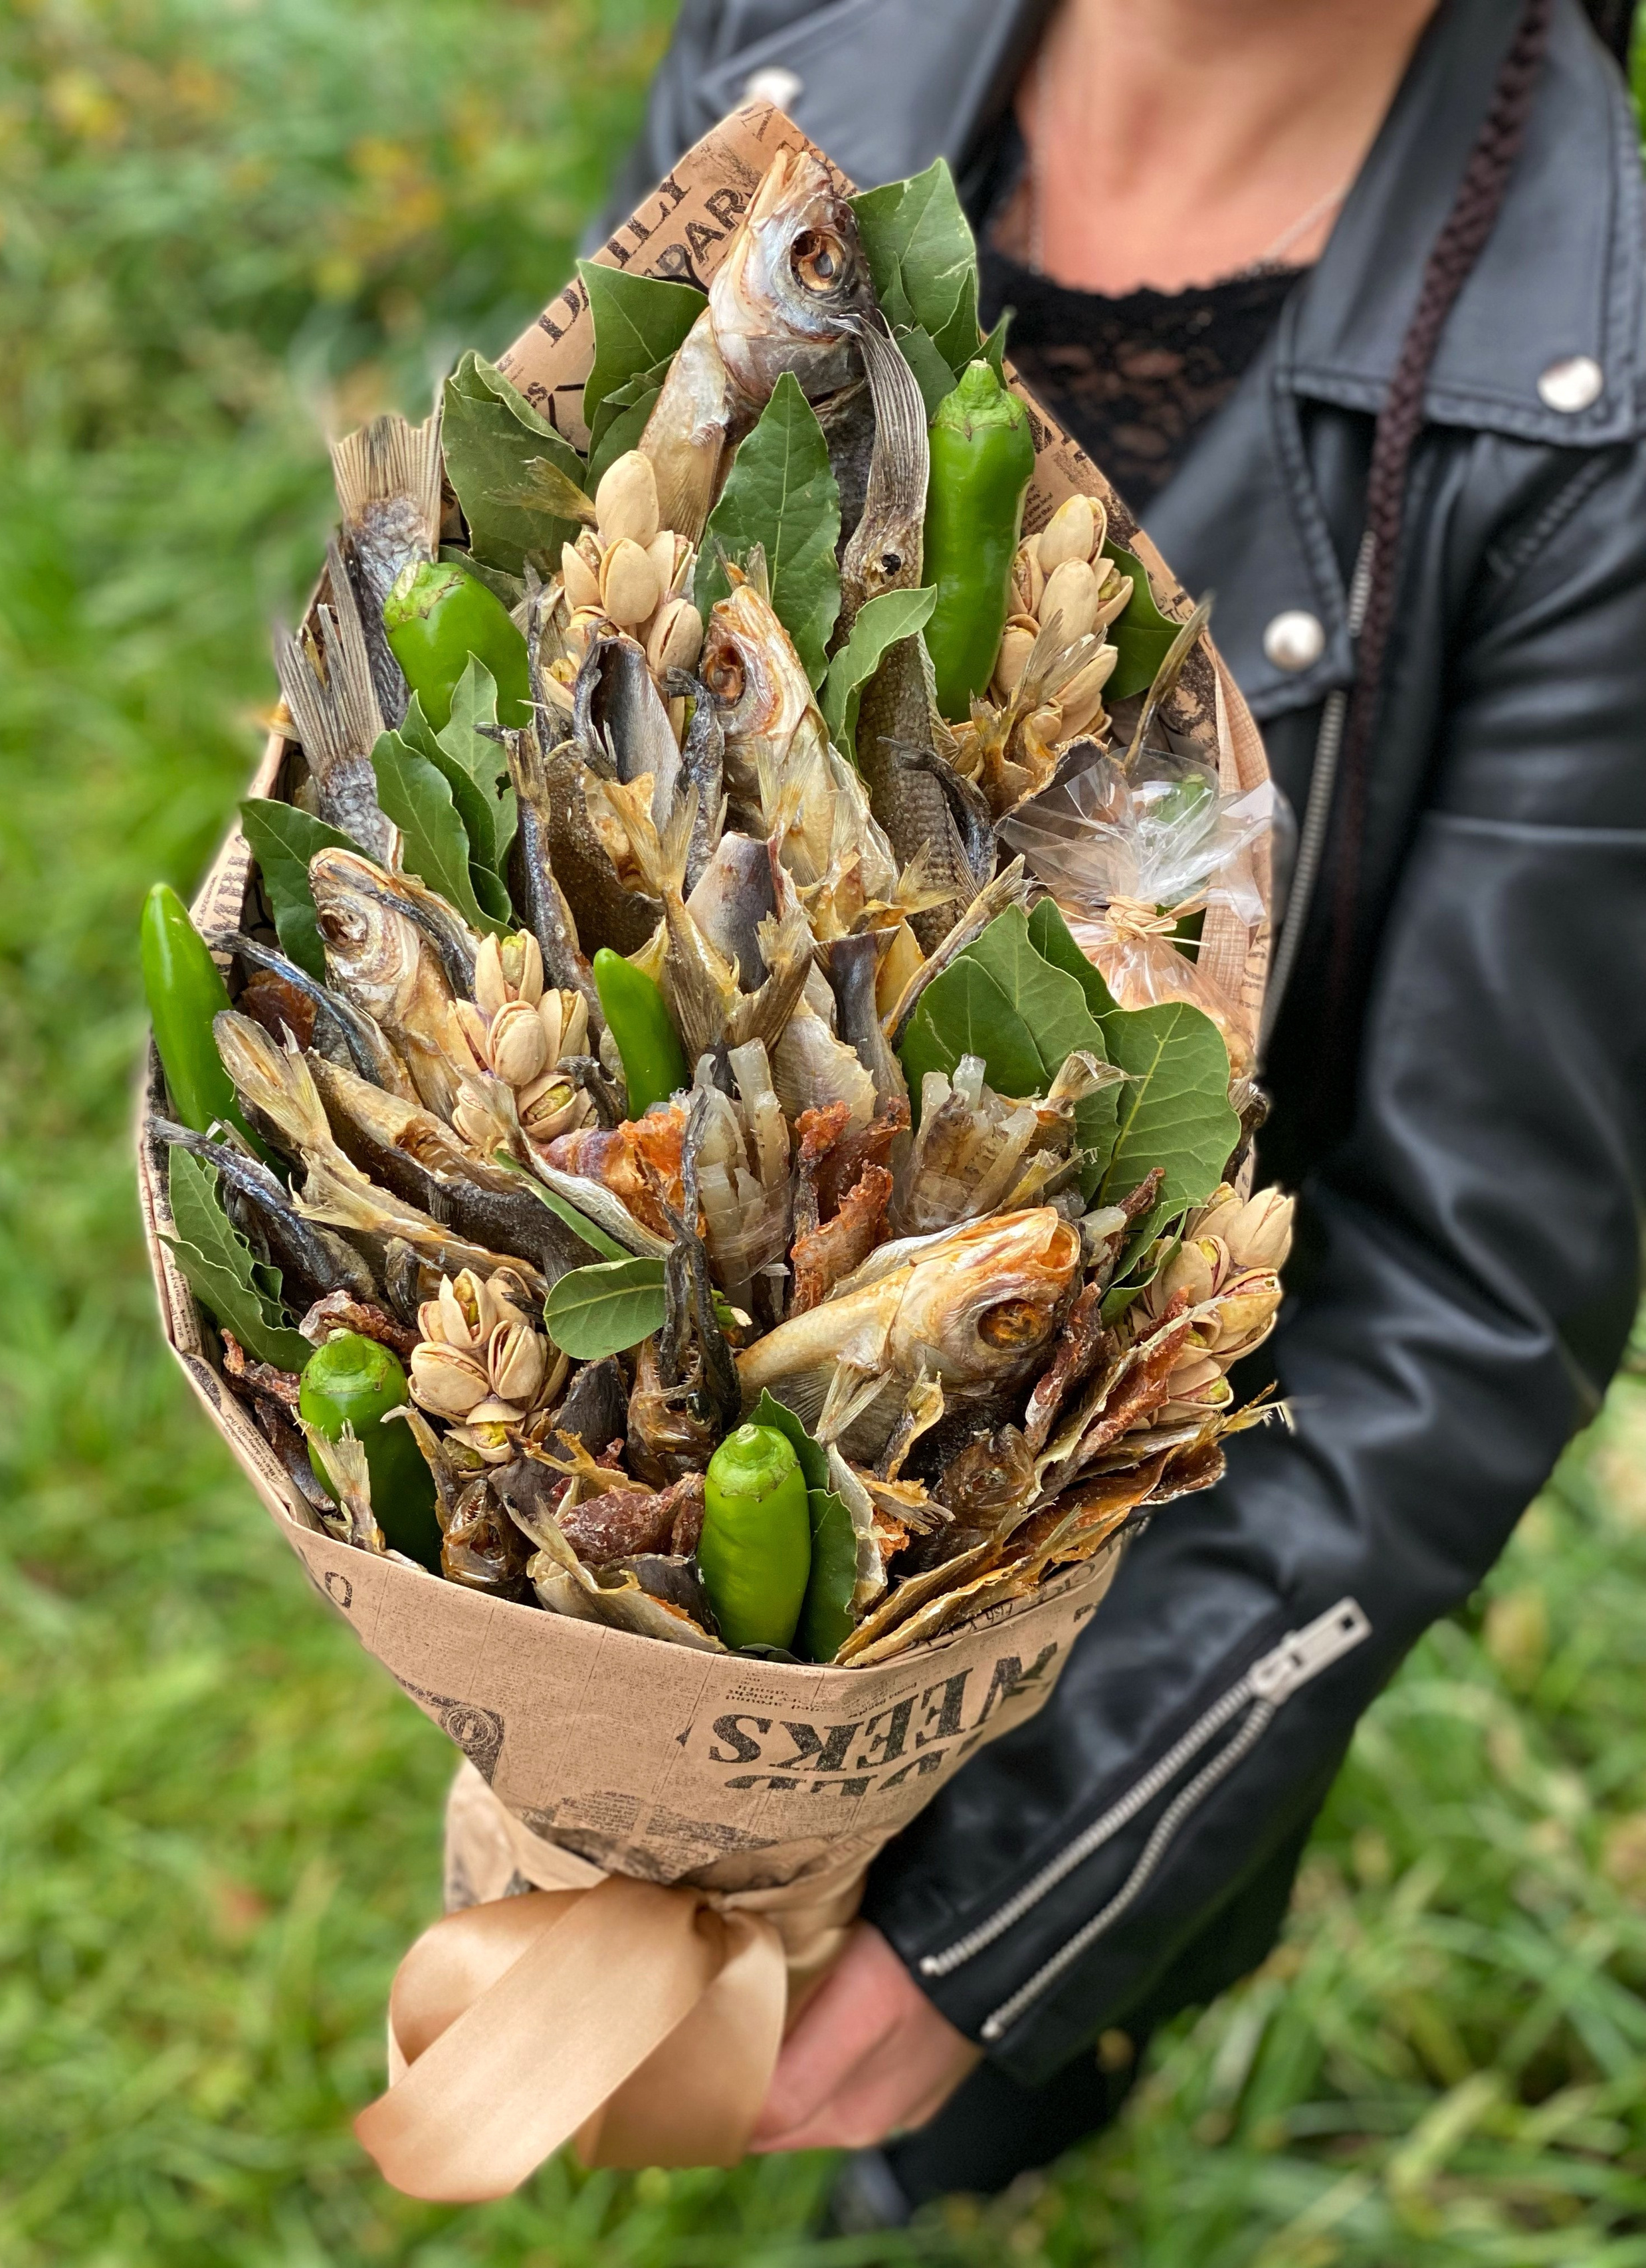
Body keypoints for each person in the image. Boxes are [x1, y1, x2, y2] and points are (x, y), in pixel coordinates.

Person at [610, 0, 1646, 2219]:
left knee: (960, 2140)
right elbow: (577, 623)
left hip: (1108, 1591)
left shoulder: (1588, 419)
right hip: (634, 1368)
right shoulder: (781, 61)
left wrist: (1010, 1919)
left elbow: (1474, 1288)